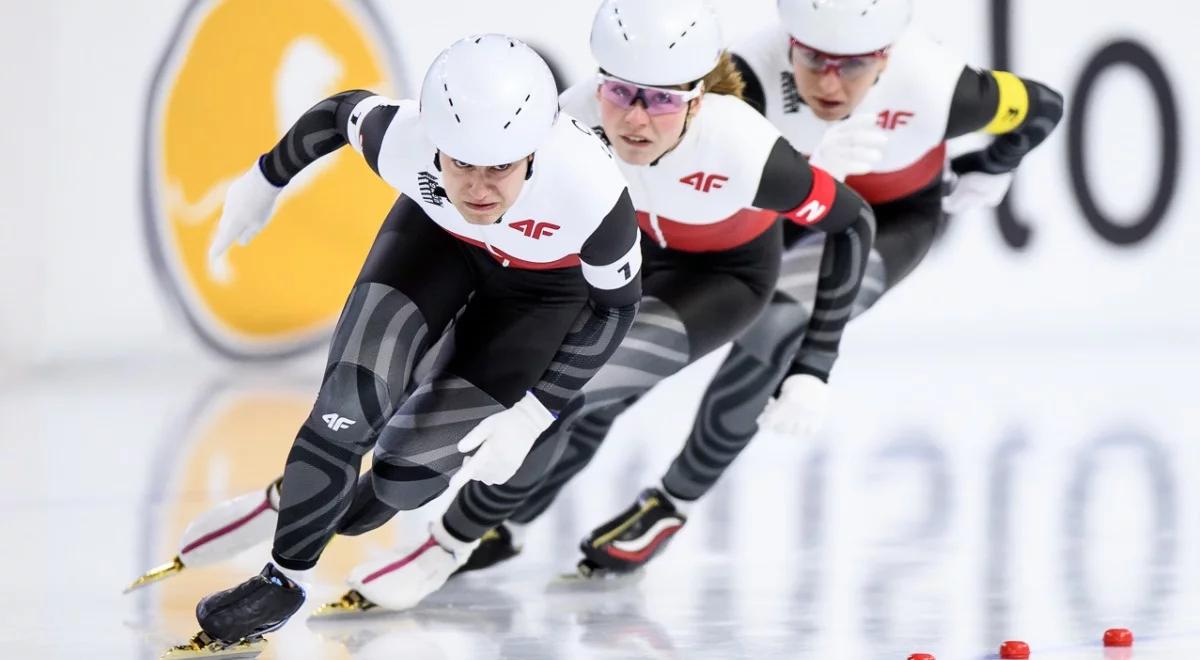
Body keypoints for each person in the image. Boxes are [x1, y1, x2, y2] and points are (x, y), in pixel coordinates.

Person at [309, 0, 876, 614]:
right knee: (494, 376)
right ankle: (475, 516)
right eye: (620, 91)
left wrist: (815, 364)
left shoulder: (743, 148)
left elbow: (854, 224)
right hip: (617, 265)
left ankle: (447, 545)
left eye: (660, 100)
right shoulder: (567, 121)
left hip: (720, 279)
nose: (634, 118)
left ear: (696, 99)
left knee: (563, 396)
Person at [462, 0, 1064, 577]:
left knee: (778, 326)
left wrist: (997, 162)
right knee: (615, 367)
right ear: (788, 43)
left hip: (889, 219)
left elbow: (1044, 106)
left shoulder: (942, 87)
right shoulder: (744, 74)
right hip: (785, 214)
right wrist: (807, 158)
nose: (830, 83)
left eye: (852, 64)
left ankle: (674, 504)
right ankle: (517, 514)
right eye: (811, 59)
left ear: (886, 57)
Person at [161, 34, 644, 658]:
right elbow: (337, 114)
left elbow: (616, 310)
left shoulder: (591, 190)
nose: (478, 188)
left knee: (403, 474)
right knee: (347, 407)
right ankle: (285, 581)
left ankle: (312, 502)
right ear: (434, 142)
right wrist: (264, 178)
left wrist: (533, 414)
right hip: (434, 245)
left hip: (541, 296)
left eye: (499, 166)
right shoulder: (404, 137)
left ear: (534, 153)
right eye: (460, 163)